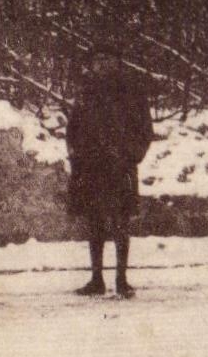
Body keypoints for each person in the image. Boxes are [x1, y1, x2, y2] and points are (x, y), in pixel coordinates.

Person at [66, 48, 154, 298]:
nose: (101, 64)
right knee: (94, 222)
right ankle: (96, 279)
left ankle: (121, 279)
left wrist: (130, 155)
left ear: (117, 62)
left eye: (106, 58)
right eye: (97, 60)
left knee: (120, 222)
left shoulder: (131, 90)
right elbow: (73, 127)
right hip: (90, 166)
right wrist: (75, 155)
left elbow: (145, 130)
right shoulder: (86, 91)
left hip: (119, 166)